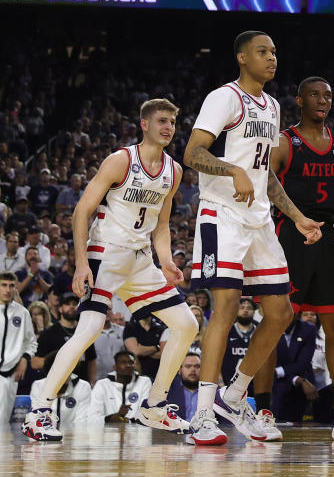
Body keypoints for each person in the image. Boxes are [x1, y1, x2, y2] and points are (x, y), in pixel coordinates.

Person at [23, 99, 199, 442]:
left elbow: (161, 226)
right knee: (88, 329)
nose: (168, 127)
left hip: (140, 259)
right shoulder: (121, 160)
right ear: (144, 124)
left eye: (173, 122)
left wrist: (165, 261)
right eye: (161, 120)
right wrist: (81, 263)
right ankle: (40, 408)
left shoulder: (173, 171)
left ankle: (154, 406)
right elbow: (81, 212)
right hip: (105, 253)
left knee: (186, 325)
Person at [184, 31, 323, 445]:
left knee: (281, 313)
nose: (271, 58)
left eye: (275, 52)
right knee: (224, 308)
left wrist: (296, 217)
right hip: (221, 215)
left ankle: (234, 394)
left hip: (259, 219)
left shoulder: (274, 105)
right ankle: (203, 416)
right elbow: (192, 153)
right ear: (242, 57)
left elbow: (265, 176)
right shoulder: (224, 97)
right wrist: (233, 170)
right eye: (263, 52)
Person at [269, 75, 334, 439]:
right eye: (314, 95)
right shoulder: (282, 142)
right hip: (290, 237)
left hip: (326, 241)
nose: (323, 101)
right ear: (299, 100)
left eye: (328, 95)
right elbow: (268, 187)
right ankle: (261, 409)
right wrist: (296, 219)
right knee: (274, 326)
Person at [0, 272, 37, 424]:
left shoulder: (22, 313)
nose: (8, 289)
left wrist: (25, 358)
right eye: (3, 285)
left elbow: (31, 342)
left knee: (2, 420)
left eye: (11, 285)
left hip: (11, 374)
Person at [89, 350, 153, 423]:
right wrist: (111, 418)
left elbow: (146, 413)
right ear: (115, 367)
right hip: (108, 431)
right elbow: (92, 417)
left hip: (136, 430)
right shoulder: (102, 385)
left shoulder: (144, 382)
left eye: (131, 362)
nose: (128, 365)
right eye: (123, 362)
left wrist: (126, 421)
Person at [221, 297, 257, 386]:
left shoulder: (261, 330)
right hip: (229, 383)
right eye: (242, 308)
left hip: (255, 384)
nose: (245, 310)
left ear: (254, 311)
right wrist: (220, 381)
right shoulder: (226, 330)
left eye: (249, 308)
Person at [167, 352, 201, 423]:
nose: (193, 370)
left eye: (197, 366)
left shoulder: (211, 389)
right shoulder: (169, 389)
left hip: (203, 432)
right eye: (188, 366)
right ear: (179, 370)